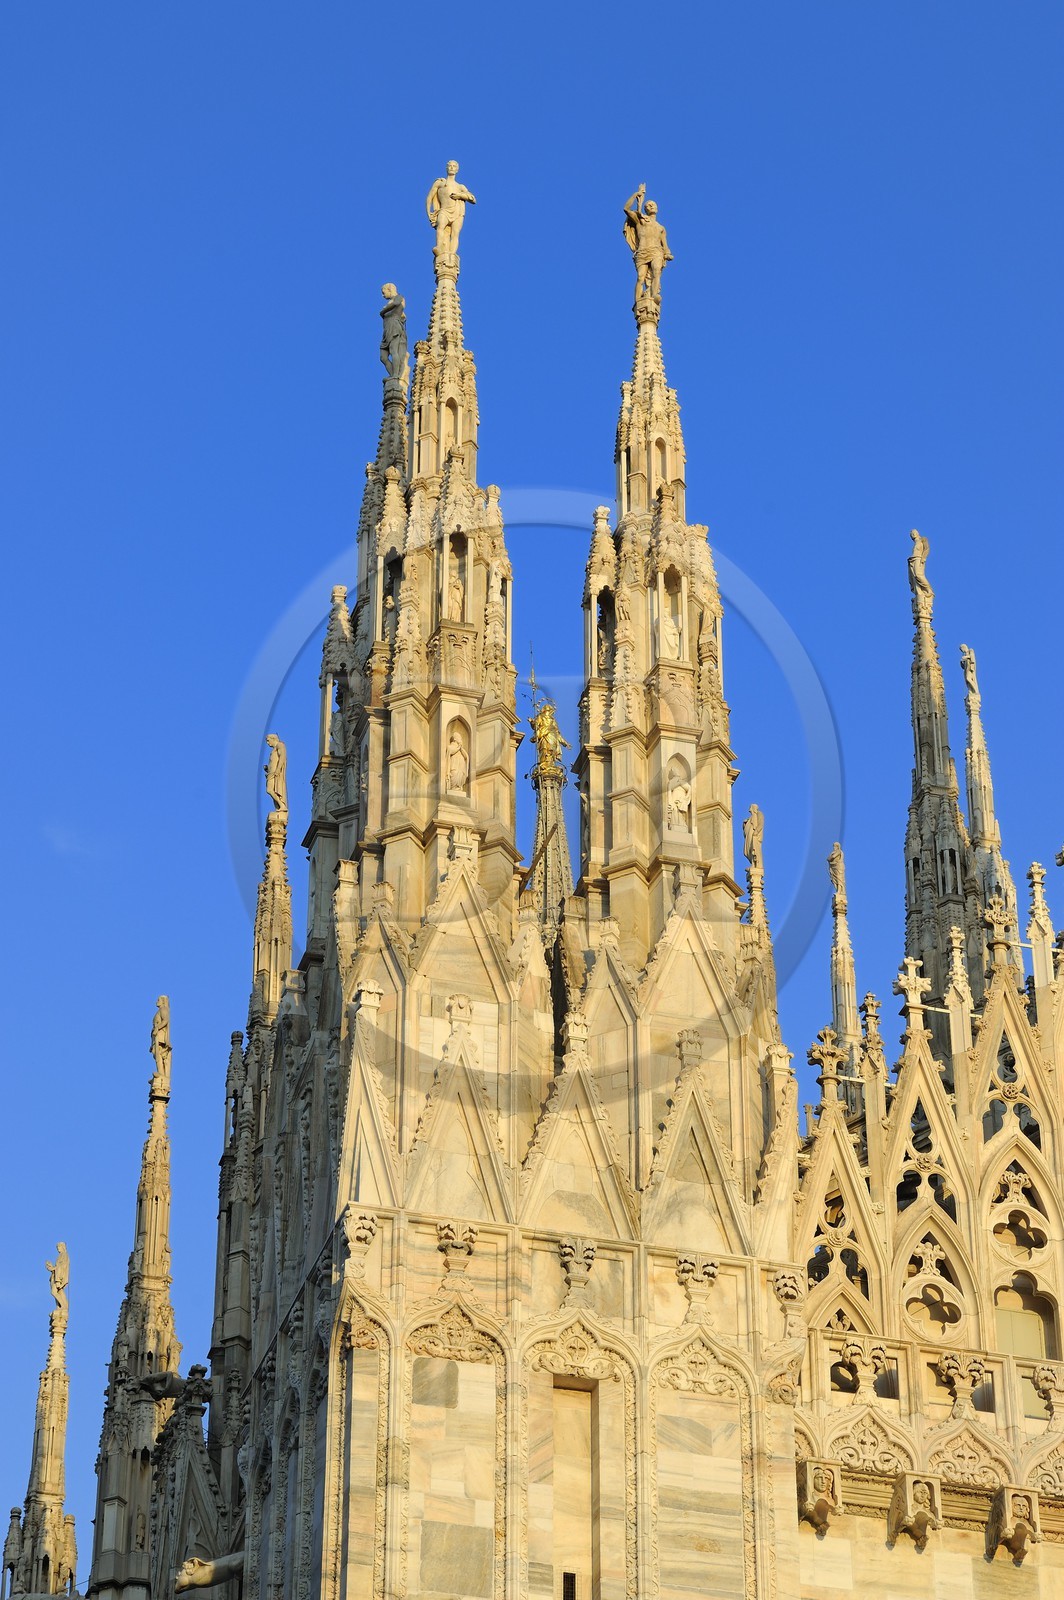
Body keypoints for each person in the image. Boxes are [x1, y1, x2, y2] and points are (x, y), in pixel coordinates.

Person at [623, 184, 673, 302]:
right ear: (645, 209)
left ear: (657, 208)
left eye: (653, 204)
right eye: (648, 205)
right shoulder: (640, 220)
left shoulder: (661, 228)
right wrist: (637, 194)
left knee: (656, 272)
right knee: (640, 277)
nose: (651, 206)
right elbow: (626, 209)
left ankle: (654, 294)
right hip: (642, 252)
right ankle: (638, 302)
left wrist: (667, 253)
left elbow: (665, 246)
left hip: (656, 251)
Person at [426, 162, 476, 258]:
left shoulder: (460, 187)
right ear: (446, 168)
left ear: (457, 170)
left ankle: (452, 255)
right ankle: (439, 247)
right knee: (440, 226)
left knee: (455, 233)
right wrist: (429, 213)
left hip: (457, 212)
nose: (451, 168)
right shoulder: (440, 182)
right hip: (444, 210)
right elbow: (429, 198)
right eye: (450, 166)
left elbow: (473, 199)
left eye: (454, 166)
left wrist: (460, 195)